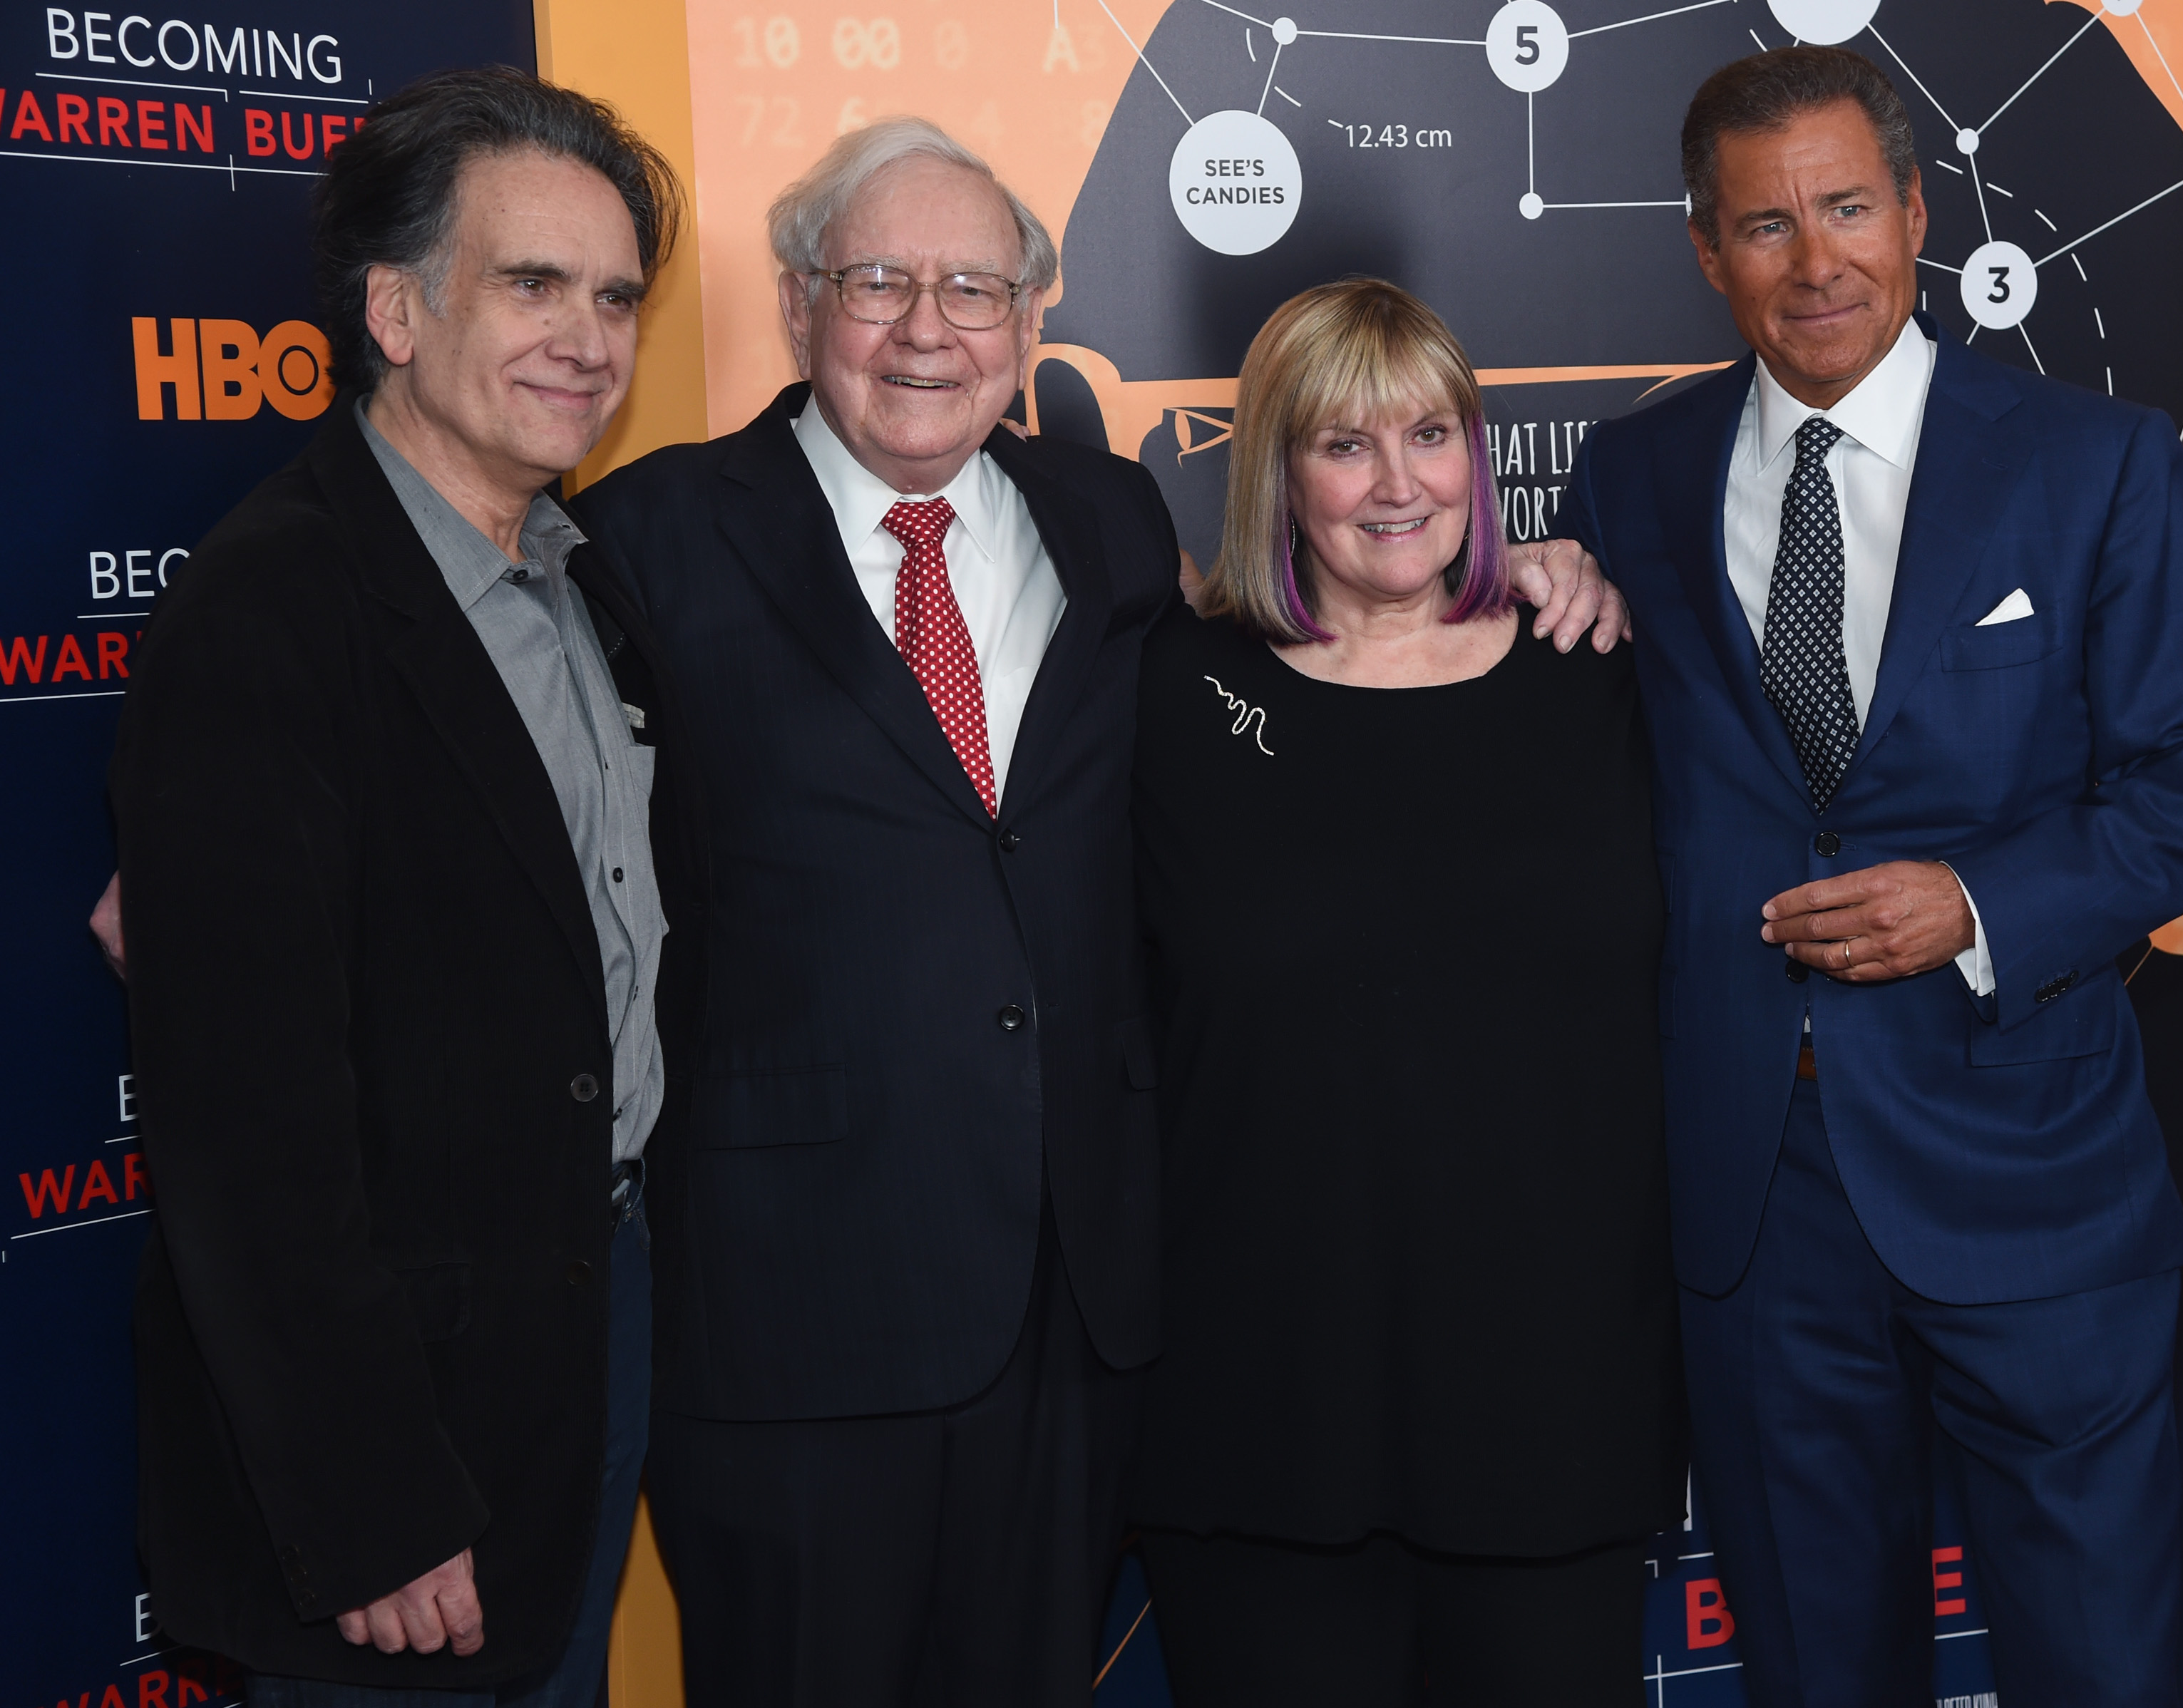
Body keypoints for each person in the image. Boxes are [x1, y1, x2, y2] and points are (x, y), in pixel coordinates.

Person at [569, 119, 1620, 1707]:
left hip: (1075, 1319)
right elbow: (510, 776)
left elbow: (1311, 717)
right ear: (796, 305)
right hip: (795, 1322)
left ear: (1034, 323)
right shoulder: (645, 536)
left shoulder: (1110, 522)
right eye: (879, 281)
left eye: (976, 288)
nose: (929, 328)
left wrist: (1521, 568)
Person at [1549, 46, 2183, 1708]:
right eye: (1763, 225)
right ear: (1703, 248)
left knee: (2103, 1669)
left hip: (2039, 1187)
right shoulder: (1632, 479)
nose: (1815, 262)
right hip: (1756, 1206)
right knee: (1814, 1672)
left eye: (1846, 208)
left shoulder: (2093, 465)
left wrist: (1975, 904)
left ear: (1918, 211)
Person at [109, 68, 694, 1708]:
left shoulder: (586, 587)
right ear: (393, 307)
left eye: (614, 296)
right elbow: (247, 1134)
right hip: (395, 1447)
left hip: (588, 1338)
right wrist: (367, 1505)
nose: (587, 337)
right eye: (531, 283)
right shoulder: (271, 611)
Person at [1128, 278, 1685, 1707]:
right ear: (1277, 468)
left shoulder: (1604, 673)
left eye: (1431, 435)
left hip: (1549, 1404)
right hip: (1262, 1407)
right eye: (1343, 444)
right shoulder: (1171, 695)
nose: (1397, 485)